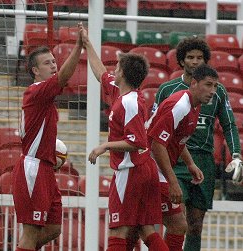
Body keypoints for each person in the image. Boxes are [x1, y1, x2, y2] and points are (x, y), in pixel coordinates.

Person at [79, 24, 169, 251]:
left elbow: (137, 141)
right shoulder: (121, 93)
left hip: (131, 171)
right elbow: (100, 73)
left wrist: (105, 146)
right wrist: (87, 45)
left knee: (118, 231)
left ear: (123, 73)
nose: (113, 69)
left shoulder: (129, 102)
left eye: (117, 67)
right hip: (143, 169)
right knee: (147, 229)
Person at [153, 37, 241, 251]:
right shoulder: (168, 89)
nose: (194, 62)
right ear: (181, 61)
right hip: (174, 160)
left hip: (203, 160)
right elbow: (153, 129)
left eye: (199, 58)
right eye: (190, 57)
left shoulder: (217, 91)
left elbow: (229, 124)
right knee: (177, 219)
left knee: (195, 225)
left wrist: (236, 155)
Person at [12, 24, 83, 251]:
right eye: (47, 63)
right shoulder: (36, 91)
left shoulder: (44, 97)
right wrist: (79, 46)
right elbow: (63, 77)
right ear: (35, 70)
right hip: (33, 168)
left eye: (54, 61)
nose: (53, 66)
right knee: (31, 232)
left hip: (45, 168)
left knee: (53, 228)